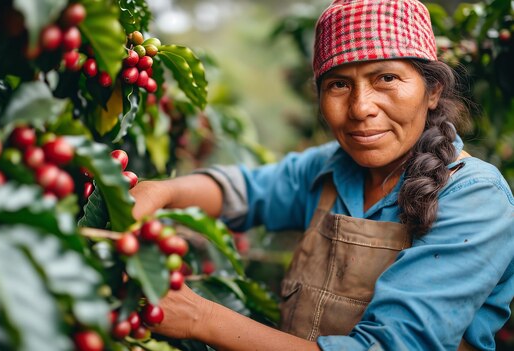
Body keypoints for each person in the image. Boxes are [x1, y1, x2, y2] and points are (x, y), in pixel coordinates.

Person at [130, 0, 514, 349]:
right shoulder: (331, 168)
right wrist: (157, 191)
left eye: (387, 78)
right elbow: (246, 191)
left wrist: (200, 317)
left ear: (432, 91)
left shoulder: (475, 197)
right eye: (339, 84)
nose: (361, 107)